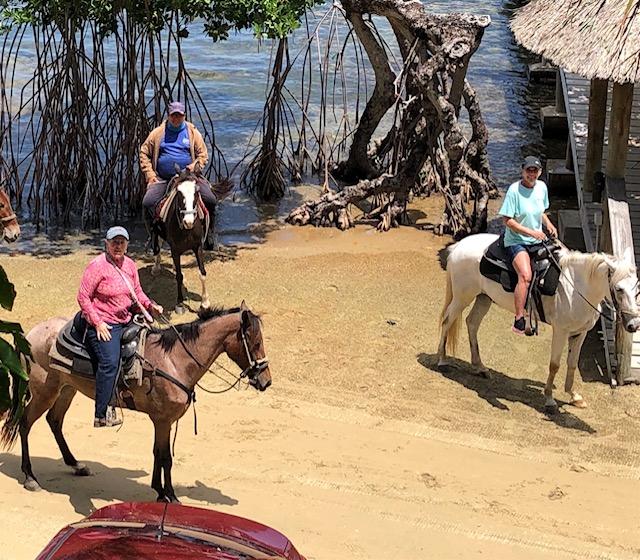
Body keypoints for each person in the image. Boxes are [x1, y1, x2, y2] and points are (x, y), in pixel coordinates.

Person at [77, 226, 163, 427]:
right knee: (110, 362)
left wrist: (150, 306)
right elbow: (83, 297)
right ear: (106, 244)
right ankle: (101, 413)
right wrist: (98, 323)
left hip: (127, 317)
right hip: (105, 321)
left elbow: (137, 293)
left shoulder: (131, 265)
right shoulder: (97, 266)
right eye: (114, 242)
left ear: (127, 245)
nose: (118, 246)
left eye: (121, 242)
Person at [140, 101, 217, 248]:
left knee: (211, 199)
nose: (176, 119)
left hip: (189, 177)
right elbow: (144, 152)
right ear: (168, 116)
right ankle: (154, 237)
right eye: (173, 115)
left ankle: (209, 234)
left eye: (179, 116)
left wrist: (194, 166)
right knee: (148, 202)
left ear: (184, 116)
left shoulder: (193, 133)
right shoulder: (157, 133)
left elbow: (203, 155)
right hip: (163, 178)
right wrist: (150, 175)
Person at [498, 156, 558, 335]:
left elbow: (541, 212)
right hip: (516, 240)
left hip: (537, 238)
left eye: (535, 171)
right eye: (528, 170)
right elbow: (507, 220)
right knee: (525, 275)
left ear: (539, 172)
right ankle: (518, 319)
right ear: (522, 171)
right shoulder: (514, 191)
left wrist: (548, 224)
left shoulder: (542, 187)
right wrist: (531, 233)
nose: (532, 174)